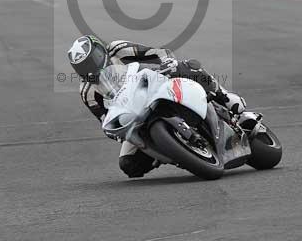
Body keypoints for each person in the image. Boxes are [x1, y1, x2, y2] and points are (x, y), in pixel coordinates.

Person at [68, 35, 262, 178]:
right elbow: (105, 120)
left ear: (100, 50)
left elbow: (159, 54)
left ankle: (225, 98)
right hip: (134, 113)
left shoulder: (119, 49)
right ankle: (171, 152)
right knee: (129, 165)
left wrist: (165, 65)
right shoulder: (88, 91)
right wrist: (120, 133)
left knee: (188, 66)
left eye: (92, 60)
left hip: (155, 84)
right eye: (83, 67)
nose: (90, 68)